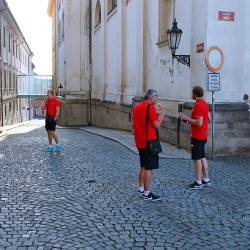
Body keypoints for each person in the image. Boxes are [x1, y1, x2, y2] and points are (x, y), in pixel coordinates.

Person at [132, 89, 165, 201]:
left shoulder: (136, 107)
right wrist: (162, 114)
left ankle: (141, 188)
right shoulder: (150, 107)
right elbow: (157, 125)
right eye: (156, 96)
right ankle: (147, 193)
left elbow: (134, 123)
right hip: (149, 141)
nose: (157, 99)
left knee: (143, 165)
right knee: (149, 168)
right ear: (151, 97)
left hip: (139, 141)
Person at [180, 85, 211, 189]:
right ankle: (206, 179)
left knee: (197, 158)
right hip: (203, 135)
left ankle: (198, 182)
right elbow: (209, 119)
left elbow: (199, 122)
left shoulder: (198, 105)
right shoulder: (205, 104)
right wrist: (188, 120)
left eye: (192, 92)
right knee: (202, 157)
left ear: (194, 93)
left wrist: (187, 118)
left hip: (197, 136)